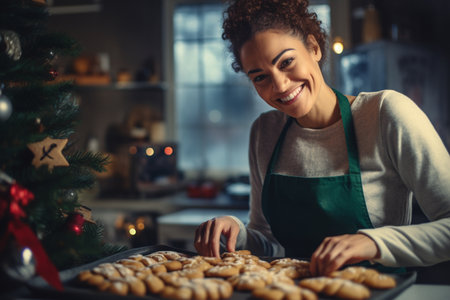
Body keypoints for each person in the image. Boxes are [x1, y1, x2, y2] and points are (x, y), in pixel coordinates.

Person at [194, 0, 450, 276]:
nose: (280, 85)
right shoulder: (265, 131)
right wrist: (238, 233)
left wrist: (372, 242)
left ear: (314, 48)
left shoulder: (385, 114)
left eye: (287, 62)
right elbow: (267, 240)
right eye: (260, 78)